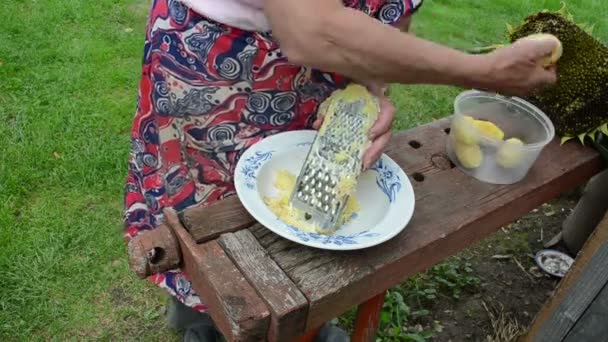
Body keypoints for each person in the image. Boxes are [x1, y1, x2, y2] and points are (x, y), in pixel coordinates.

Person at [122, 0, 558, 340]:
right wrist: (484, 72)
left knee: (303, 219)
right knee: (212, 216)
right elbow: (309, 30)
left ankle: (295, 324)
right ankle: (204, 317)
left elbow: (384, 13)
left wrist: (368, 88)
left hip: (328, 58)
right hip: (225, 58)